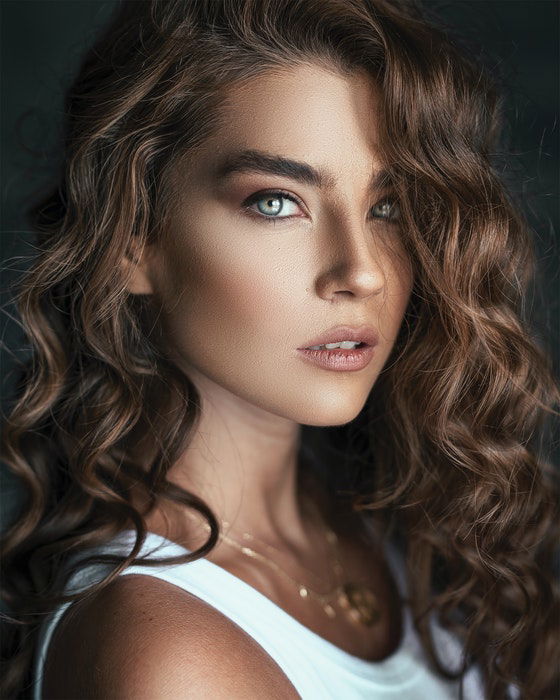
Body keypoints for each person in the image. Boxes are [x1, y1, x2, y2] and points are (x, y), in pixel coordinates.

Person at [1, 0, 558, 698]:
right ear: (130, 240)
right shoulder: (169, 656)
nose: (363, 272)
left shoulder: (388, 523)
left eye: (386, 207)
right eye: (276, 202)